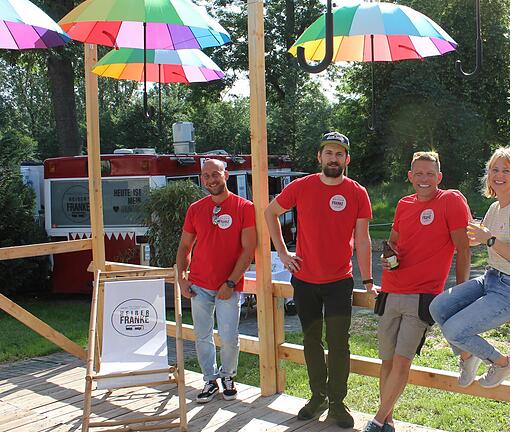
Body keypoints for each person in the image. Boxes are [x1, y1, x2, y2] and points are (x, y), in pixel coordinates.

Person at [264, 131, 373, 429]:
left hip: (339, 282)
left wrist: (369, 281)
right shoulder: (301, 187)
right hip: (305, 281)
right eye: (329, 153)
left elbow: (363, 241)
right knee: (311, 340)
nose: (333, 158)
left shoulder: (357, 192)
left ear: (346, 159)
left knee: (339, 343)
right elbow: (270, 212)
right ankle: (317, 397)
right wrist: (284, 253)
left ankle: (338, 403)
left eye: (339, 154)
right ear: (319, 157)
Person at [363, 152, 471, 432]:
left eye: (430, 174)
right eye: (419, 174)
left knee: (402, 360)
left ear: (439, 177)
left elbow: (464, 249)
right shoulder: (403, 204)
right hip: (390, 291)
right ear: (410, 176)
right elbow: (395, 244)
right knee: (386, 361)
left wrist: (460, 292)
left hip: (422, 296)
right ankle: (387, 420)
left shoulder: (450, 200)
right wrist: (389, 258)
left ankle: (376, 421)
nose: (424, 179)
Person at [429, 146, 510, 390]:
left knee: (454, 329)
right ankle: (467, 357)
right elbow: (479, 237)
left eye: (506, 170)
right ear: (488, 175)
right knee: (438, 306)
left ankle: (503, 363)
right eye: (494, 169)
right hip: (490, 278)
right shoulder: (495, 207)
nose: (499, 174)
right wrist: (465, 234)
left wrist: (489, 239)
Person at [176, 158, 257, 403]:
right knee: (202, 336)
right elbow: (184, 247)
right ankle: (209, 380)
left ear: (226, 175)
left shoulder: (244, 207)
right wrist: (181, 277)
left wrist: (231, 282)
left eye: (216, 174)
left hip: (228, 287)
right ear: (202, 178)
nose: (211, 179)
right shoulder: (195, 208)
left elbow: (248, 249)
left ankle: (228, 376)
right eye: (206, 175)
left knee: (229, 336)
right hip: (199, 285)